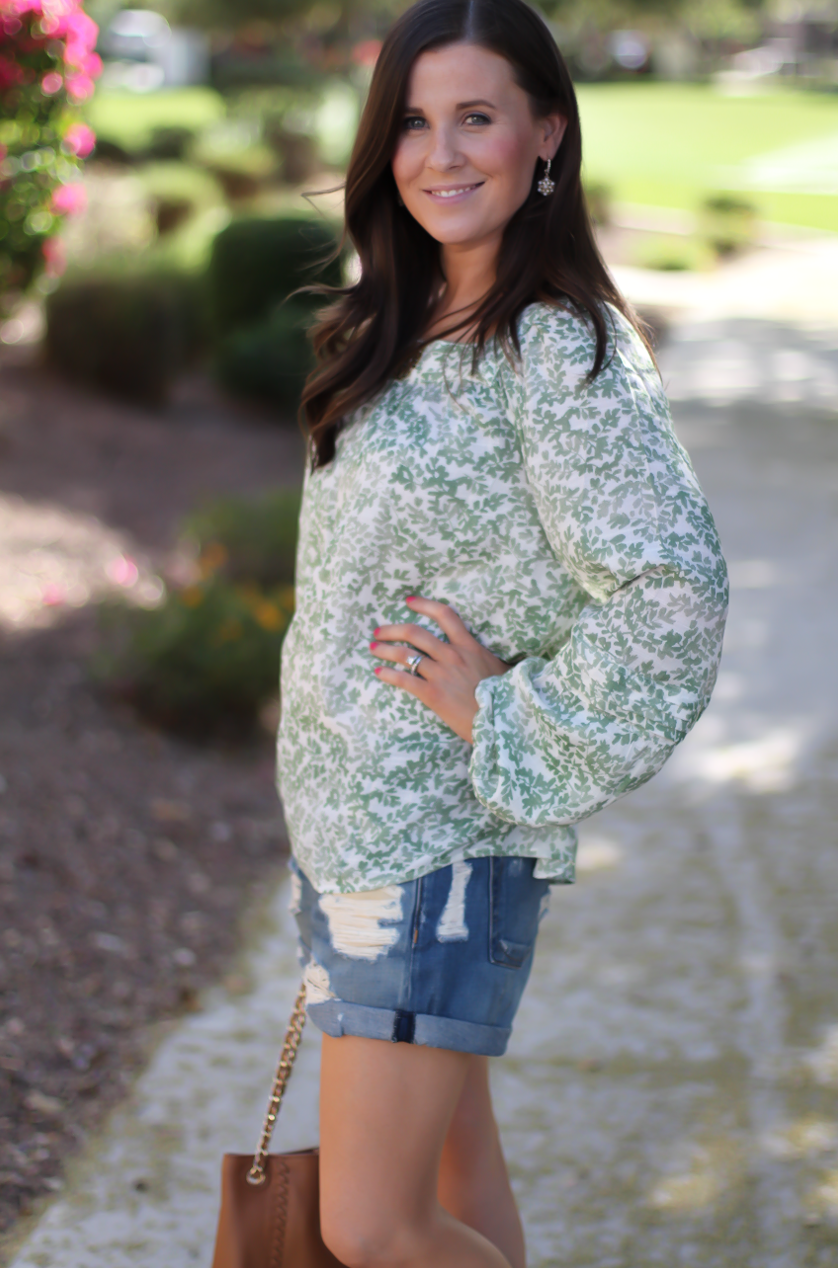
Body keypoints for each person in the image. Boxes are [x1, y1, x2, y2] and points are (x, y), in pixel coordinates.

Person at [276, 1, 728, 1264]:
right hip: (355, 833)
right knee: (460, 1191)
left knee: (371, 1225)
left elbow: (671, 593)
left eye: (476, 115)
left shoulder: (559, 350)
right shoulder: (394, 326)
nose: (441, 152)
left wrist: (510, 717)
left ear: (546, 134)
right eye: (414, 122)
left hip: (440, 850)